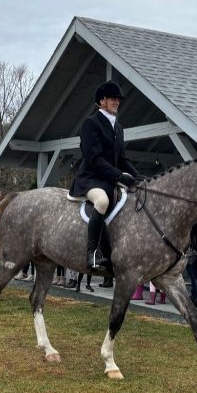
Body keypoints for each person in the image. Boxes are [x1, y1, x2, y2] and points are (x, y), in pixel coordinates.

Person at [69, 81, 141, 275]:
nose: (117, 102)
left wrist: (137, 177)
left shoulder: (118, 127)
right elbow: (94, 159)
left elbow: (122, 159)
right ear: (102, 101)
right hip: (91, 178)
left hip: (109, 179)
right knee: (102, 201)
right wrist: (119, 175)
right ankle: (92, 253)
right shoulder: (90, 123)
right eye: (113, 98)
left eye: (118, 99)